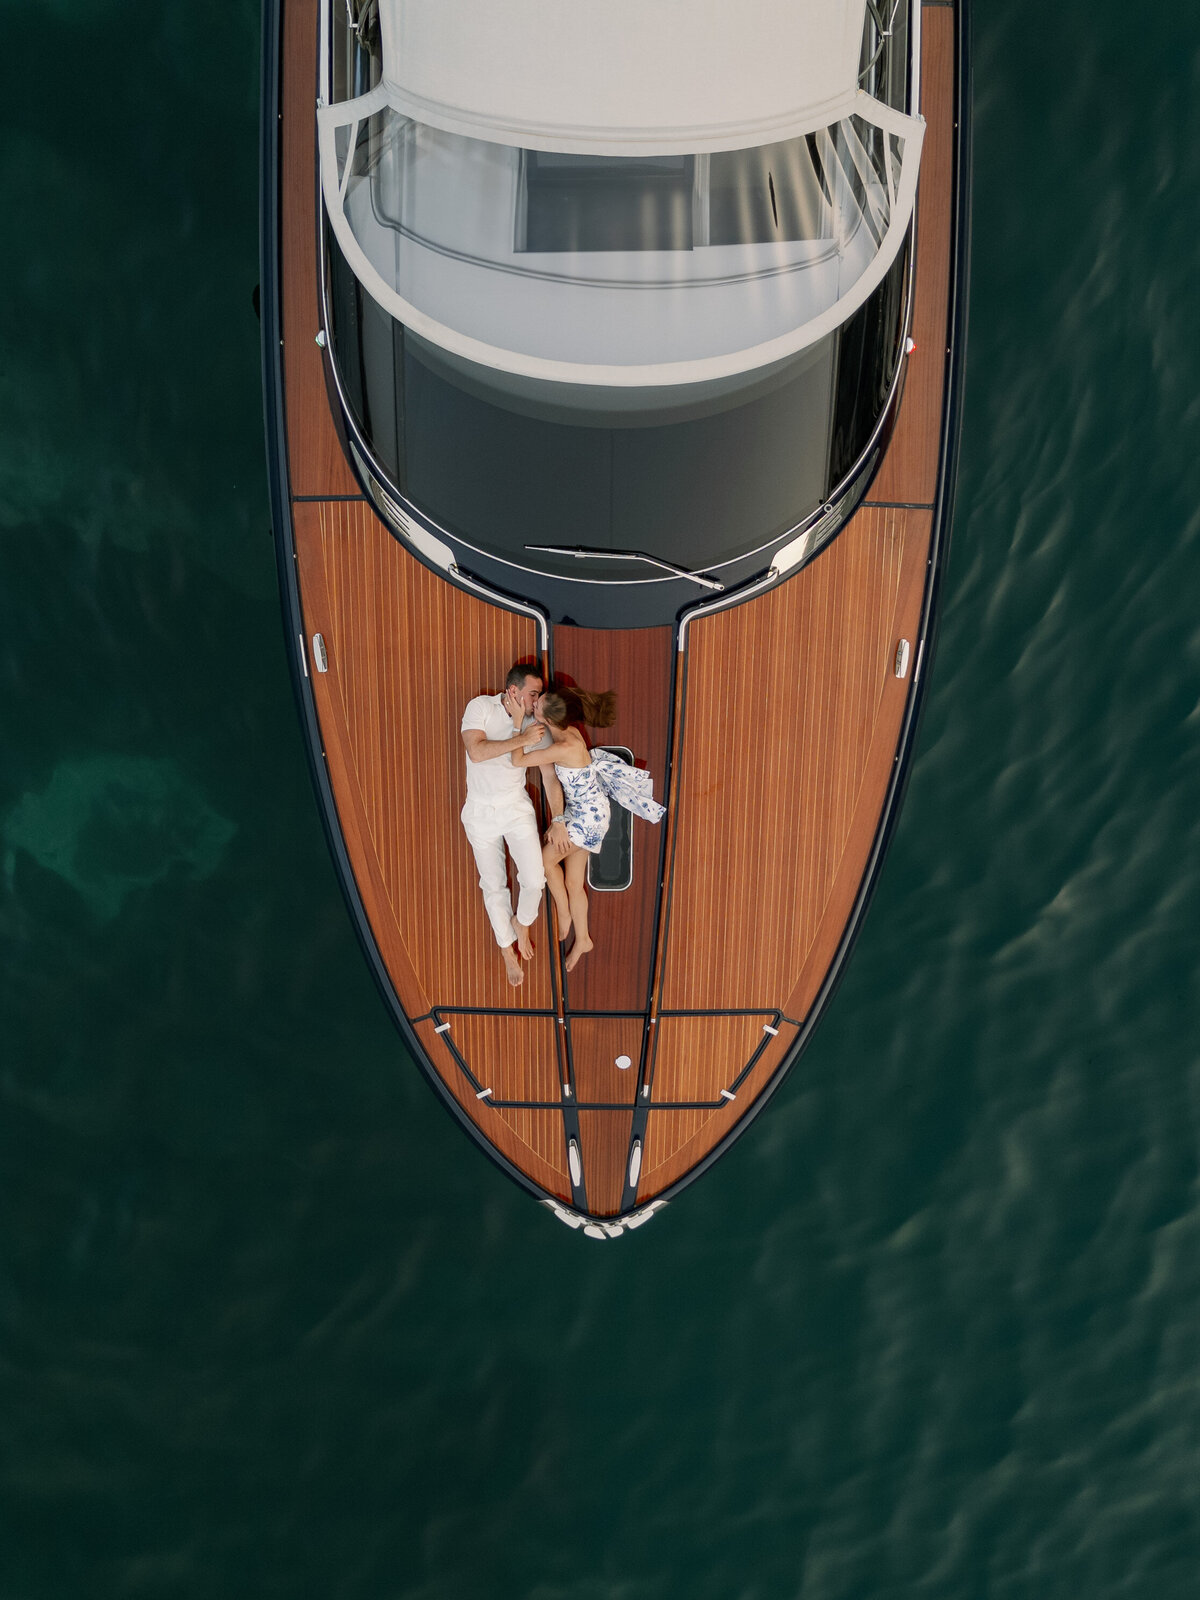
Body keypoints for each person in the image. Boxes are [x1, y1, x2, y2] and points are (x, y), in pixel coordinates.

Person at [513, 690, 665, 972]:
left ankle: (564, 912)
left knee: (545, 862)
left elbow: (518, 761)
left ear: (548, 719)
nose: (534, 703)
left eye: (538, 703)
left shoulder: (564, 745)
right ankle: (583, 940)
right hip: (585, 810)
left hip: (589, 817)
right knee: (573, 882)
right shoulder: (566, 733)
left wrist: (517, 722)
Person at [460, 661, 547, 987]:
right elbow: (477, 752)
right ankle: (506, 949)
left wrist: (523, 726)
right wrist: (519, 733)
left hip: (515, 807)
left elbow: (542, 768)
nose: (537, 701)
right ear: (513, 691)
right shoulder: (480, 707)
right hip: (481, 812)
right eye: (533, 693)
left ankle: (522, 922)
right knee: (493, 884)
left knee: (535, 879)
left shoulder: (534, 721)